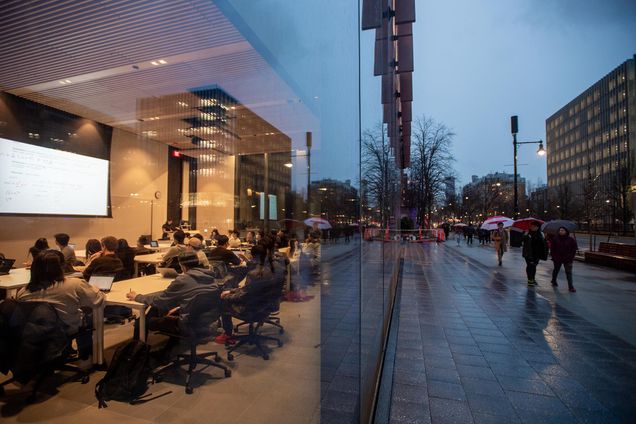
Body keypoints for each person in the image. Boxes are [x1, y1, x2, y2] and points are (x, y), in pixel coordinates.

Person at [17, 250, 105, 369]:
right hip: (64, 329)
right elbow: (97, 301)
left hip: (34, 331)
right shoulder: (74, 284)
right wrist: (95, 289)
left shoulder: (23, 291)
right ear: (61, 267)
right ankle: (86, 356)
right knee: (89, 316)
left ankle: (64, 352)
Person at [127, 252, 222, 343]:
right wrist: (178, 307)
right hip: (206, 319)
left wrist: (137, 297)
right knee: (167, 308)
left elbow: (160, 301)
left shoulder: (182, 280)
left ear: (182, 266)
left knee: (143, 320)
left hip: (187, 323)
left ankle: (136, 353)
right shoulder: (210, 277)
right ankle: (169, 349)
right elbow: (199, 298)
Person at [550, 227, 578, 292]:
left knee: (569, 273)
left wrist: (571, 257)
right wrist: (554, 257)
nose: (561, 231)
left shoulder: (571, 240)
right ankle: (554, 281)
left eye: (562, 230)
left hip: (568, 259)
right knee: (556, 270)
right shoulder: (555, 239)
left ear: (566, 231)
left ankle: (571, 286)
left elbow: (573, 250)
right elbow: (552, 249)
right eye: (560, 230)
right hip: (557, 258)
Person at [522, 221, 548, 286]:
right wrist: (525, 235)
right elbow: (522, 240)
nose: (532, 227)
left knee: (533, 266)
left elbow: (543, 244)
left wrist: (545, 237)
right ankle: (530, 280)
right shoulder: (527, 233)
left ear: (538, 227)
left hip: (537, 253)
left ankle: (532, 279)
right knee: (530, 266)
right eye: (532, 226)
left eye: (534, 226)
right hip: (528, 253)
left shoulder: (540, 234)